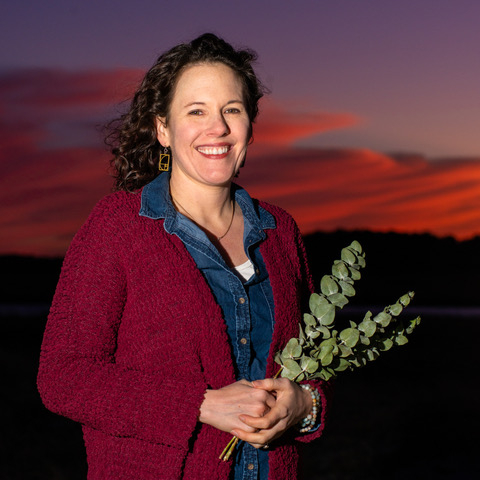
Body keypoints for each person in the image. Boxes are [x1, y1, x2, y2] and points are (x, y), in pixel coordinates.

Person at [37, 33, 333, 480]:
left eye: (232, 110)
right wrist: (201, 405)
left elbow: (318, 361)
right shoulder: (119, 227)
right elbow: (63, 377)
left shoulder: (280, 231)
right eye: (196, 111)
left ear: (251, 125)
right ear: (163, 129)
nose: (217, 128)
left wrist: (306, 404)